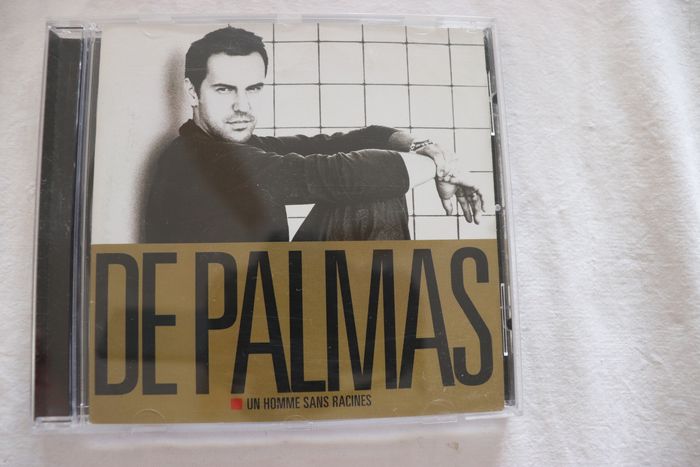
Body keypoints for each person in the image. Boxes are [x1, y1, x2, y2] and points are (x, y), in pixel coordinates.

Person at [143, 26, 483, 243]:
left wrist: (427, 147)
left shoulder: (238, 146)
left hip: (271, 300)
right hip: (234, 328)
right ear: (192, 92)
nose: (242, 106)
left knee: (375, 187)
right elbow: (331, 174)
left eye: (253, 89)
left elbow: (357, 139)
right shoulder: (194, 159)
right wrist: (441, 168)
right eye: (225, 90)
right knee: (373, 188)